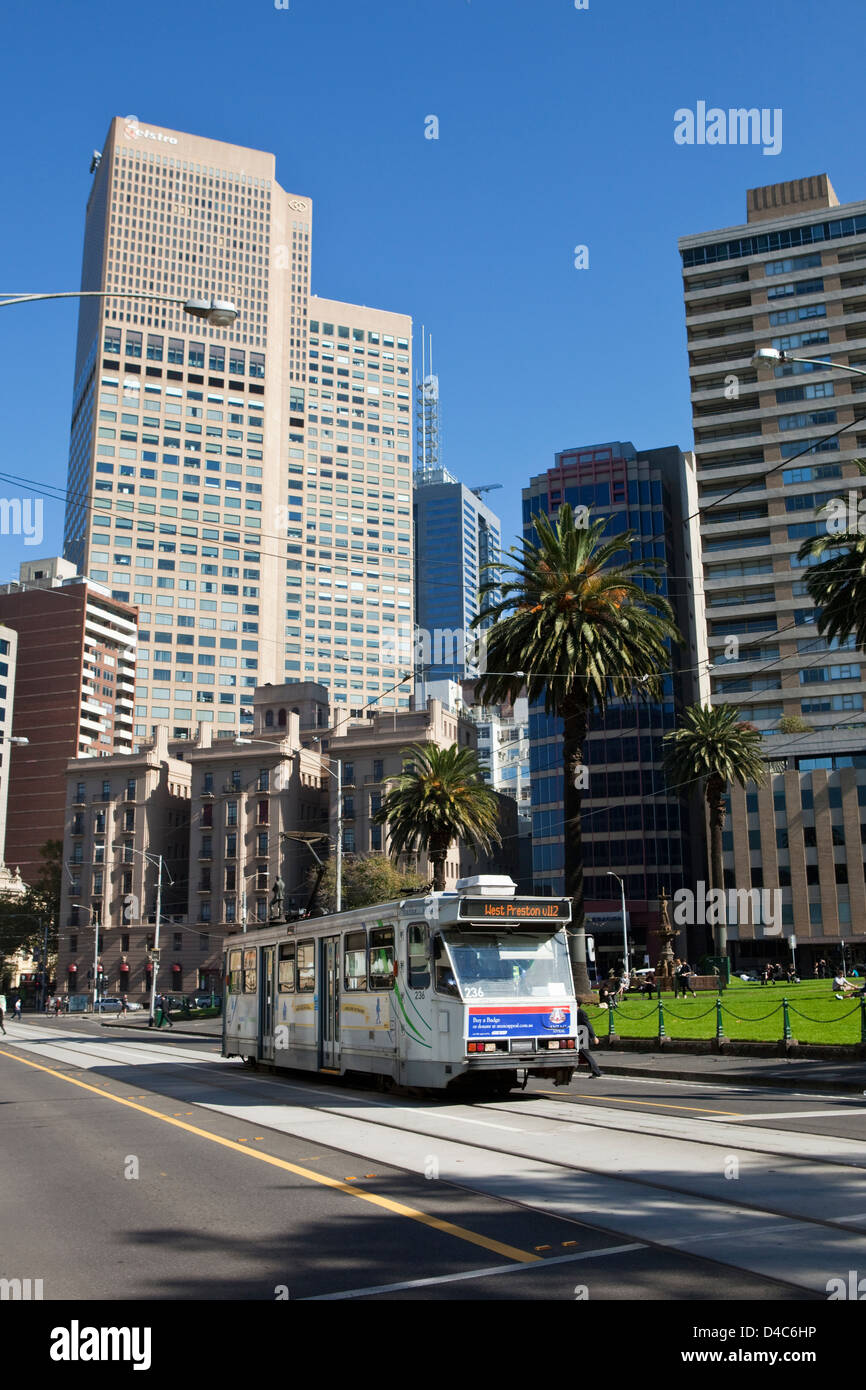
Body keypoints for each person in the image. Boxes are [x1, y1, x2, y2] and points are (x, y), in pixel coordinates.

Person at [576, 1003, 603, 1078]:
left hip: (582, 1036)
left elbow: (588, 1025)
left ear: (577, 1004)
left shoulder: (581, 1013)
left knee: (586, 1055)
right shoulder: (574, 1012)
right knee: (582, 1055)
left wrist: (594, 1036)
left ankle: (596, 1071)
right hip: (578, 1036)